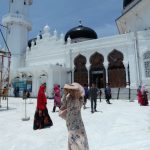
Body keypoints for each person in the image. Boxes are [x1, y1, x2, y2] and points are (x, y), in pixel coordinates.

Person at [60, 82, 89, 150]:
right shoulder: (68, 97)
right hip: (69, 122)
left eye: (73, 90)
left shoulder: (80, 99)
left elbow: (77, 106)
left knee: (78, 140)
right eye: (71, 90)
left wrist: (76, 95)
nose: (71, 91)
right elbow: (63, 104)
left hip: (77, 124)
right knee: (72, 139)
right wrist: (65, 93)